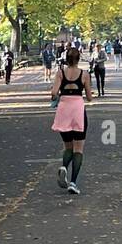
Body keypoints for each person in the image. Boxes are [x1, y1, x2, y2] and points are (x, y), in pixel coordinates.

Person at [51, 47, 92, 195]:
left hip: (63, 110)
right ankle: (73, 182)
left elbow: (54, 92)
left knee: (68, 146)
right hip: (77, 110)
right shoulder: (84, 74)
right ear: (78, 58)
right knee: (78, 149)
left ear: (66, 59)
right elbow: (89, 97)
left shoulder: (60, 73)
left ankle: (63, 166)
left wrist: (57, 94)